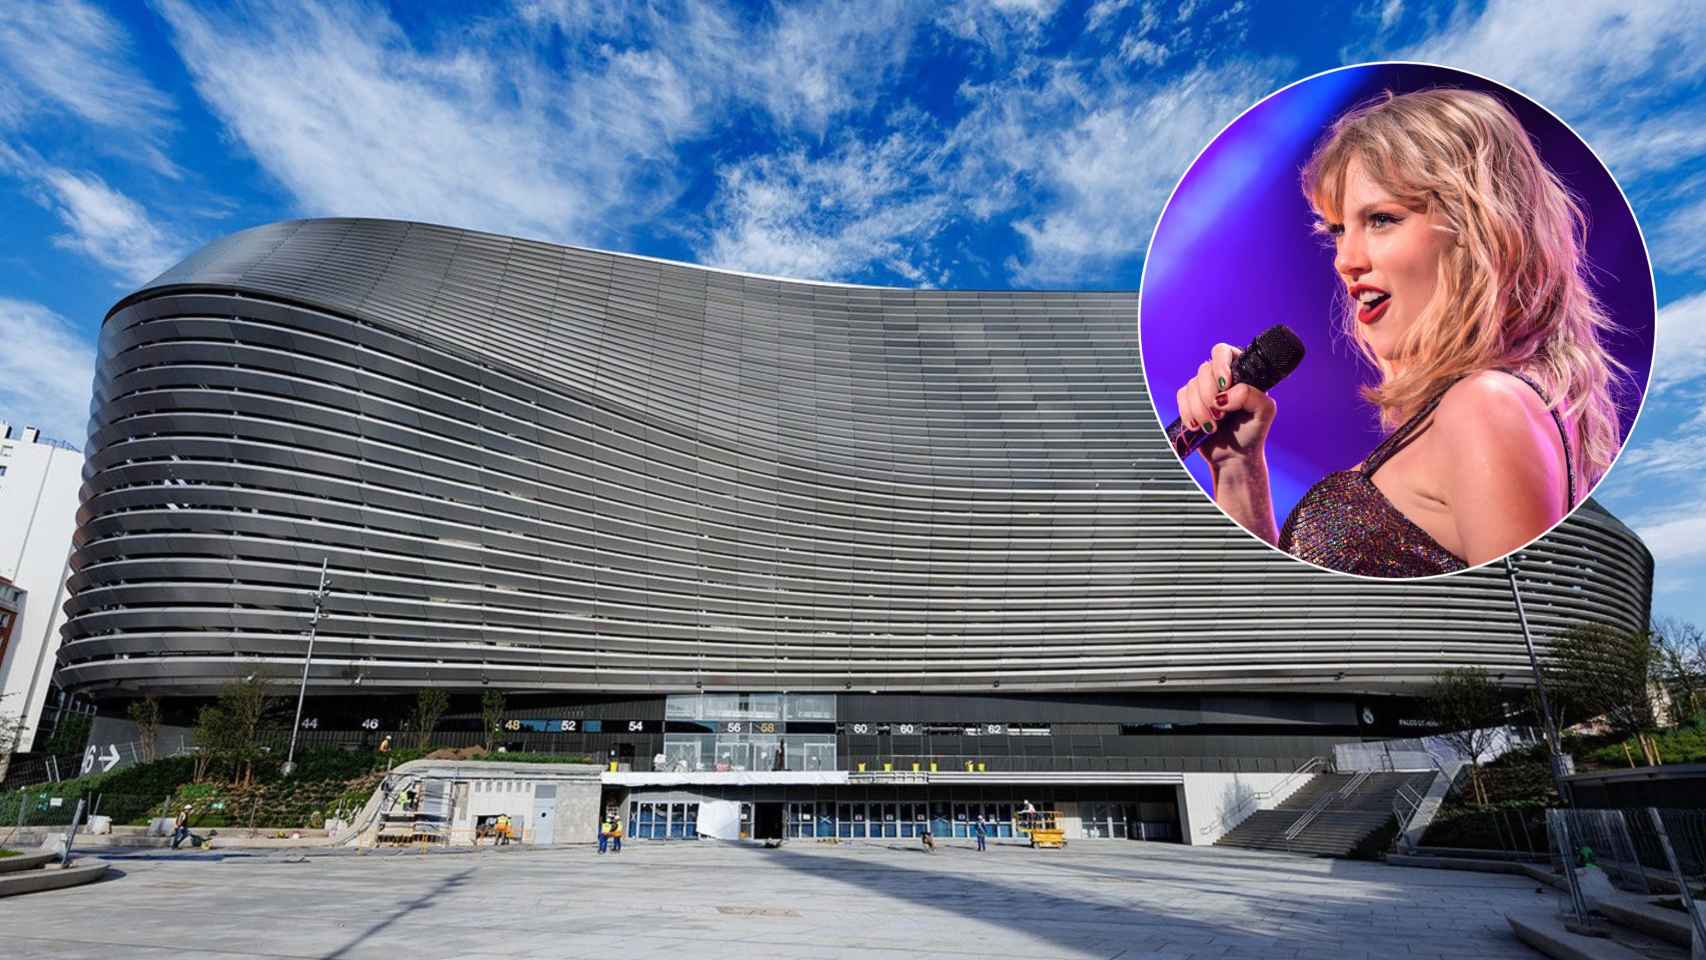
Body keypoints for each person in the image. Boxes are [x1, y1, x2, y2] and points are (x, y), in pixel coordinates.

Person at [1172, 88, 1626, 577]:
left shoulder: (1487, 406)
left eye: (1382, 220)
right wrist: (1238, 471)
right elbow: (1286, 628)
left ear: (1482, 229)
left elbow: (1505, 641)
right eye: (1338, 230)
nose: (1346, 261)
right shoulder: (1470, 410)